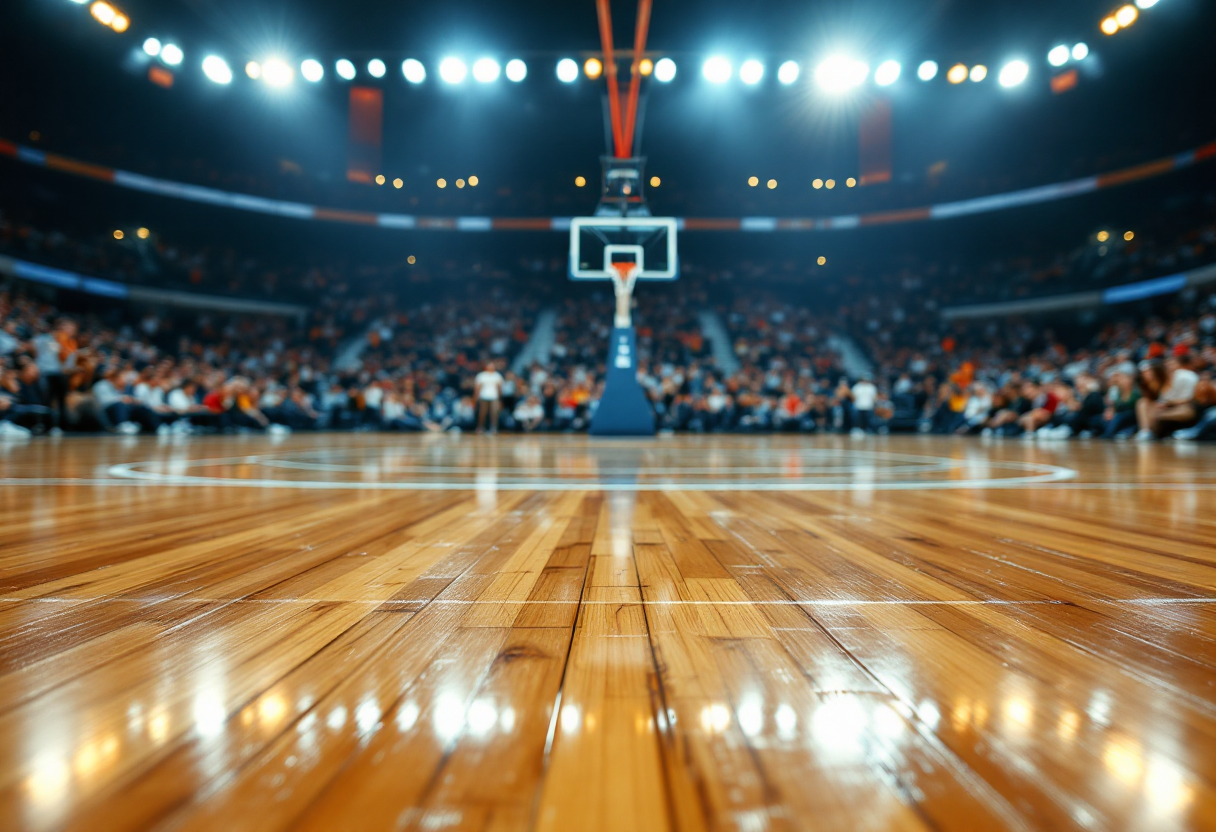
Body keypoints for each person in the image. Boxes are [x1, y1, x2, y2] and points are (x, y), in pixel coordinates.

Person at [474, 362, 504, 435]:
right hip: (483, 396)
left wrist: (500, 399)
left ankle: (493, 428)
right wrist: (475, 397)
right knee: (482, 413)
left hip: (494, 397)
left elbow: (499, 388)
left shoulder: (497, 376)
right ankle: (480, 427)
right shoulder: (481, 376)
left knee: (494, 413)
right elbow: (477, 388)